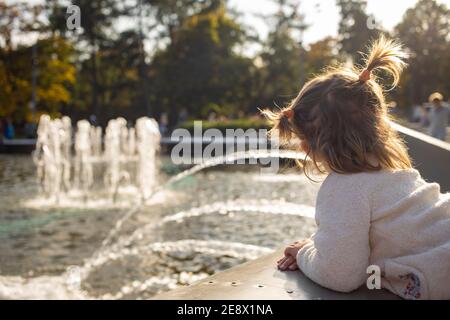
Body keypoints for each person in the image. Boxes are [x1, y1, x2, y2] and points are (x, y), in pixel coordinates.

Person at [263, 36, 450, 300]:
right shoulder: (395, 174)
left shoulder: (343, 188)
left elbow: (339, 275)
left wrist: (305, 252)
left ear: (306, 147)